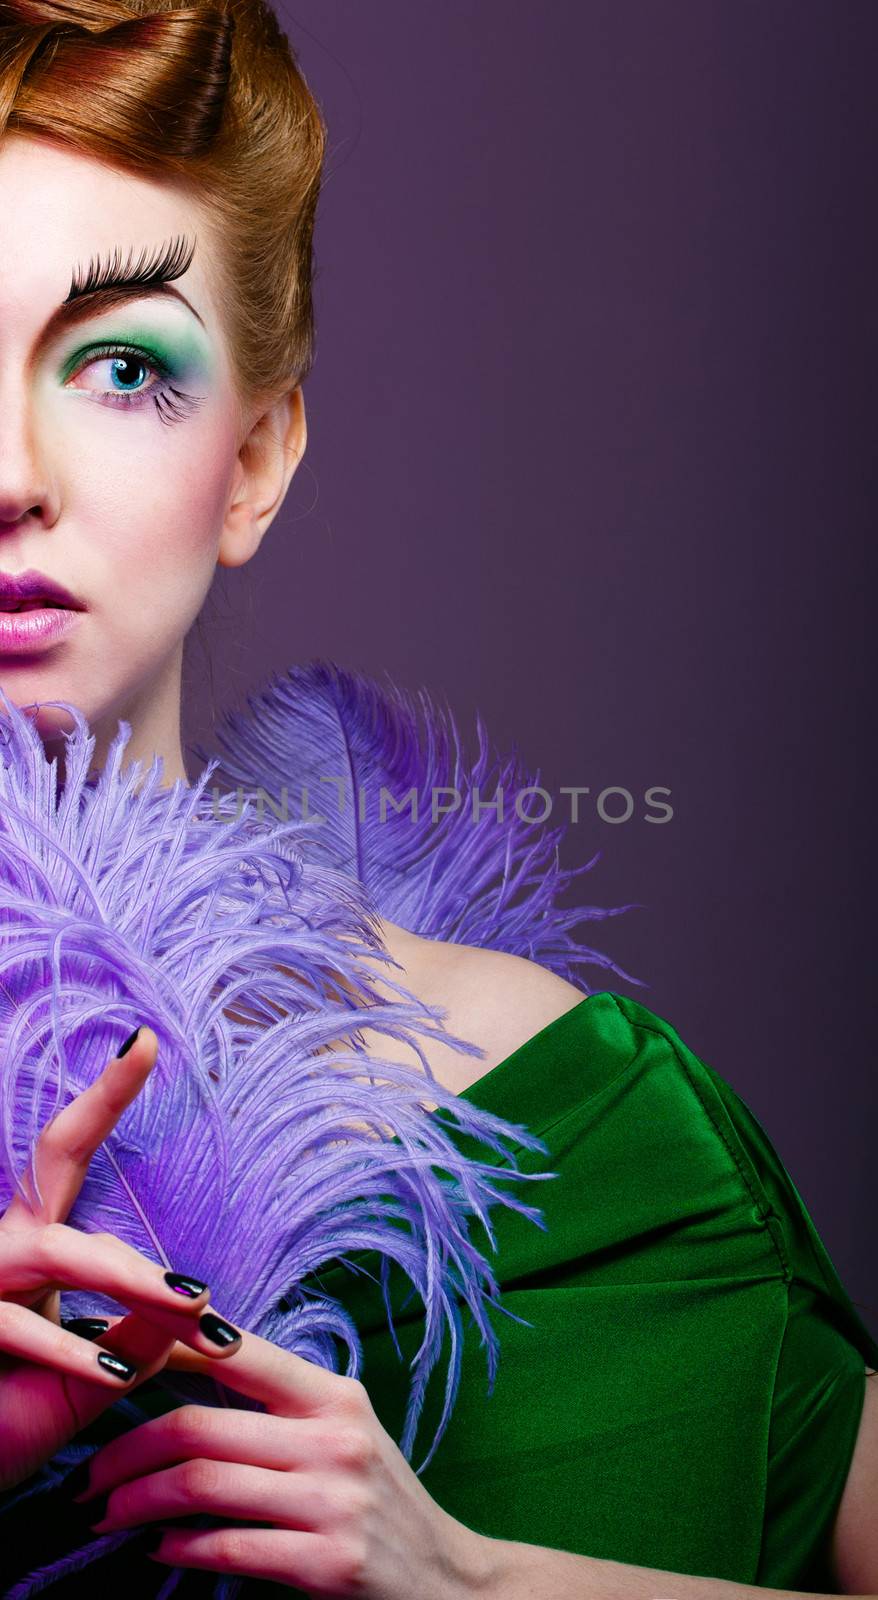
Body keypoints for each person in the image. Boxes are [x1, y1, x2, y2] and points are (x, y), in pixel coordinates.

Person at [0, 3, 874, 1596]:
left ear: (254, 457)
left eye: (120, 366)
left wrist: (467, 1581)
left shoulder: (571, 1132)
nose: (10, 469)